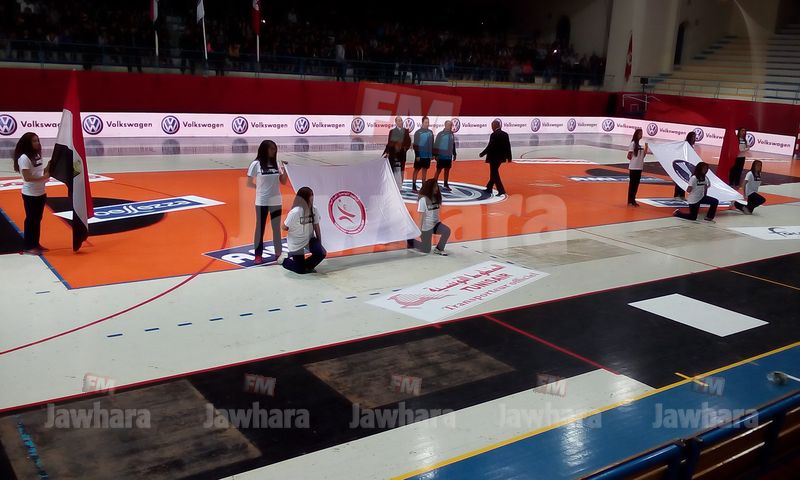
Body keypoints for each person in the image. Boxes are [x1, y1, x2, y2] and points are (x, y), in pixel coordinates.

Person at [247, 140, 287, 265]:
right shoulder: (256, 164)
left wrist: (285, 169)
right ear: (264, 149)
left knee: (276, 228)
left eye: (275, 149)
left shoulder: (276, 164)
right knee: (260, 228)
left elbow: (283, 181)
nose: (274, 151)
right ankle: (258, 255)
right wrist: (260, 189)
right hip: (262, 201)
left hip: (276, 200)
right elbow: (249, 183)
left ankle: (278, 253)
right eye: (271, 149)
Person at [13, 132, 50, 255]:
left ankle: (35, 243)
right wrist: (45, 177)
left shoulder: (37, 155)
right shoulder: (24, 158)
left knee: (37, 219)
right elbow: (28, 177)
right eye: (34, 141)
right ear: (27, 143)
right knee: (31, 220)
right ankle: (28, 246)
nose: (37, 143)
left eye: (37, 140)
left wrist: (49, 167)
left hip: (41, 192)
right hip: (30, 194)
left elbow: (39, 172)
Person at [282, 187, 326, 274]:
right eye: (310, 195)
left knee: (321, 253)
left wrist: (319, 242)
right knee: (300, 270)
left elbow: (316, 226)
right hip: (296, 243)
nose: (313, 197)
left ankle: (306, 267)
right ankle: (283, 260)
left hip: (309, 239)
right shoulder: (295, 212)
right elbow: (284, 227)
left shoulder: (314, 209)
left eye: (312, 194)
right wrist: (294, 228)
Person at [409, 179, 450, 255]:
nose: (436, 188)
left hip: (436, 224)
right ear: (430, 188)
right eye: (434, 187)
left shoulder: (437, 197)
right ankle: (410, 241)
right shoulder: (423, 200)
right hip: (426, 227)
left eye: (436, 186)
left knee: (447, 230)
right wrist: (420, 230)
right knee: (426, 249)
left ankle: (439, 249)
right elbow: (421, 216)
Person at [479, 119, 512, 196]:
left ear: (494, 126)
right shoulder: (505, 134)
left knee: (494, 174)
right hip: (501, 158)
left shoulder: (494, 135)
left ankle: (501, 190)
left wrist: (482, 153)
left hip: (493, 158)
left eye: (492, 126)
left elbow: (490, 146)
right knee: (494, 173)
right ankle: (489, 187)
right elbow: (508, 146)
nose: (491, 127)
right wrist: (509, 157)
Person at [382, 116, 411, 189]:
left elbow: (408, 142)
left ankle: (400, 186)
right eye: (399, 121)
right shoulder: (392, 131)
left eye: (401, 120)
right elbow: (389, 143)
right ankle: (392, 186)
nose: (401, 122)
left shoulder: (406, 131)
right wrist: (387, 152)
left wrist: (405, 149)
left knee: (402, 170)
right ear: (396, 122)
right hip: (393, 154)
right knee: (392, 170)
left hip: (402, 154)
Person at [626, 128, 649, 207]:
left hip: (639, 167)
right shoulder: (633, 144)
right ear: (636, 135)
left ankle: (633, 200)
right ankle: (630, 201)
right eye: (639, 134)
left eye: (641, 134)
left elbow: (643, 156)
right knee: (632, 185)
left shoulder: (640, 145)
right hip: (633, 167)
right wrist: (634, 159)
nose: (641, 135)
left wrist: (646, 148)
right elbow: (628, 156)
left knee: (636, 185)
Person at [411, 116, 434, 193]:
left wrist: (432, 154)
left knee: (425, 171)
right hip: (420, 156)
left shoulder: (430, 132)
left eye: (428, 122)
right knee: (416, 170)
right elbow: (415, 145)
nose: (427, 124)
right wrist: (417, 155)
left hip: (427, 156)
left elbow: (432, 144)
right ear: (422, 123)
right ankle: (414, 186)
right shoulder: (418, 133)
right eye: (426, 122)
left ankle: (423, 186)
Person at [433, 120, 457, 192]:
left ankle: (446, 184)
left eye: (451, 125)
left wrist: (454, 153)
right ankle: (434, 183)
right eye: (448, 125)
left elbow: (453, 144)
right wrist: (435, 155)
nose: (450, 126)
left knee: (447, 170)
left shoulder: (452, 134)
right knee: (438, 170)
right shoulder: (440, 134)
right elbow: (436, 144)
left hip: (448, 156)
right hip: (441, 156)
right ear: (445, 125)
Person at [674, 131, 697, 200]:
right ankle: (677, 195)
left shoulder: (691, 146)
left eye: (695, 137)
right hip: (682, 164)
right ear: (690, 137)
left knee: (684, 180)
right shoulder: (685, 145)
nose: (695, 138)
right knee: (680, 180)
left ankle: (682, 195)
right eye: (693, 137)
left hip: (687, 165)